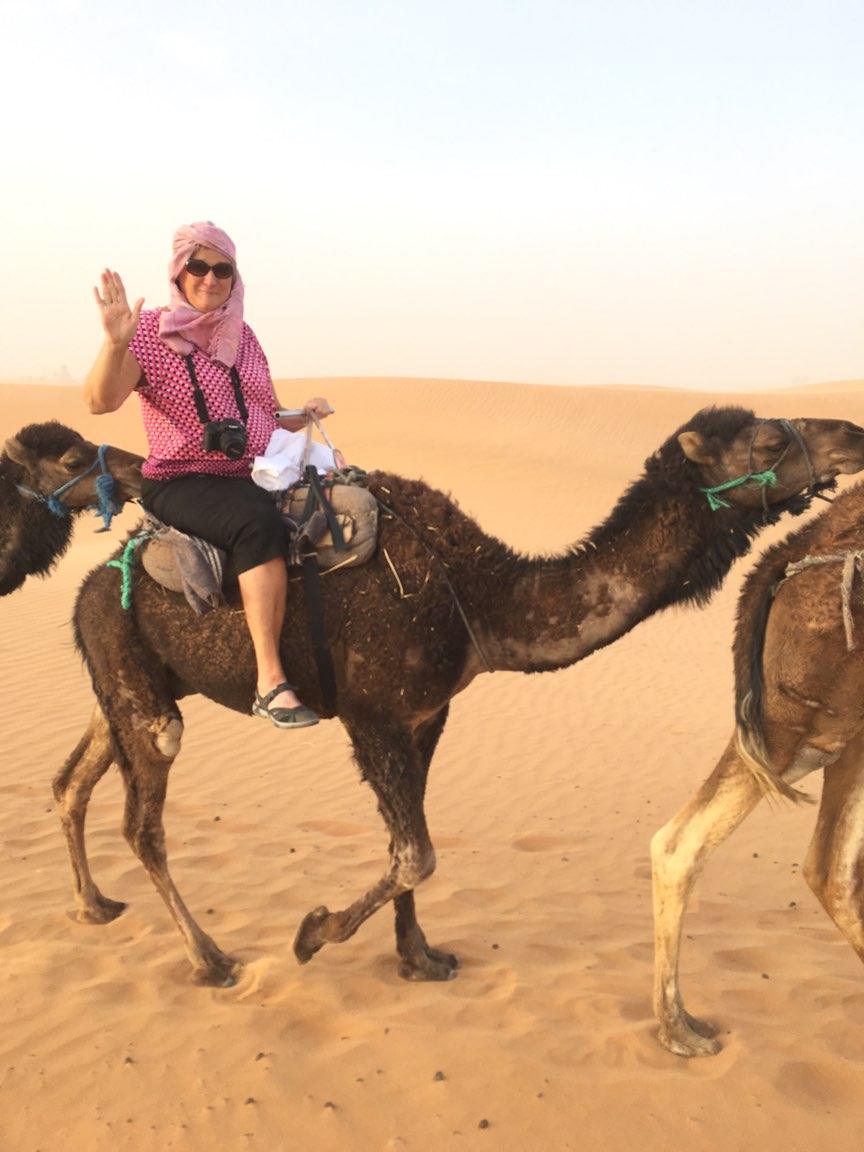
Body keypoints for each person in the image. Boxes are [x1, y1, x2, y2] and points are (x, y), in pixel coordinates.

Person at [84, 221, 334, 730]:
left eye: (222, 269)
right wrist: (115, 346)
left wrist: (301, 414)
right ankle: (270, 681)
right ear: (179, 272)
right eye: (198, 266)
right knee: (257, 526)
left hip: (251, 469)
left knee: (335, 503)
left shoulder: (243, 337)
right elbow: (99, 402)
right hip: (182, 478)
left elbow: (261, 412)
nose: (210, 278)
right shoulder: (151, 334)